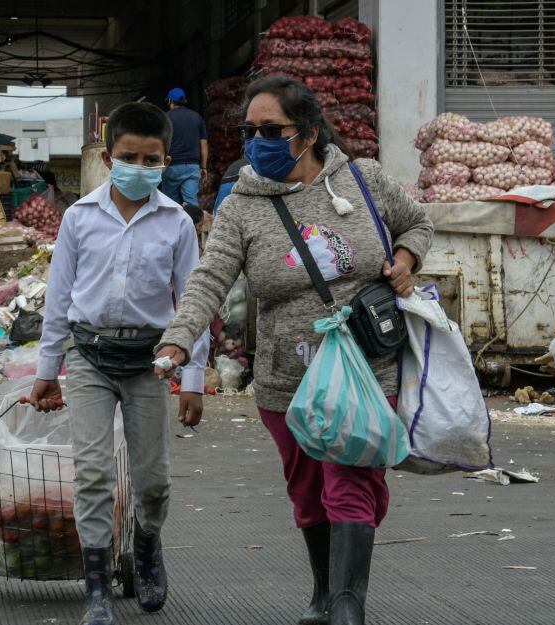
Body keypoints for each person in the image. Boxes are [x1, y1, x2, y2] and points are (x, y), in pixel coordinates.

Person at [155, 76, 433, 625]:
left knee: (350, 477)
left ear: (307, 132)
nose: (257, 141)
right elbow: (209, 278)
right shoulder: (241, 206)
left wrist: (404, 262)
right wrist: (179, 339)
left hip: (368, 365)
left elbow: (418, 224)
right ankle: (325, 591)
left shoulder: (364, 178)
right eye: (249, 131)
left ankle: (349, 604)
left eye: (270, 130)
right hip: (288, 376)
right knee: (308, 492)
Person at [29, 102, 210, 625]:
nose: (139, 167)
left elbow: (193, 303)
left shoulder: (176, 223)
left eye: (151, 160)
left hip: (151, 363)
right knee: (93, 474)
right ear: (109, 158)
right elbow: (59, 298)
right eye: (129, 157)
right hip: (89, 357)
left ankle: (147, 544)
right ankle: (97, 586)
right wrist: (46, 371)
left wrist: (193, 378)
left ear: (165, 162)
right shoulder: (79, 217)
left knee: (153, 479)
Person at [159, 87, 207, 209]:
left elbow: (159, 143)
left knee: (170, 204)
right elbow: (203, 144)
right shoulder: (197, 117)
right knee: (191, 203)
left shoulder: (165, 118)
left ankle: (172, 221)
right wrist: (204, 166)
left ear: (170, 101)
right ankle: (194, 221)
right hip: (192, 166)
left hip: (171, 166)